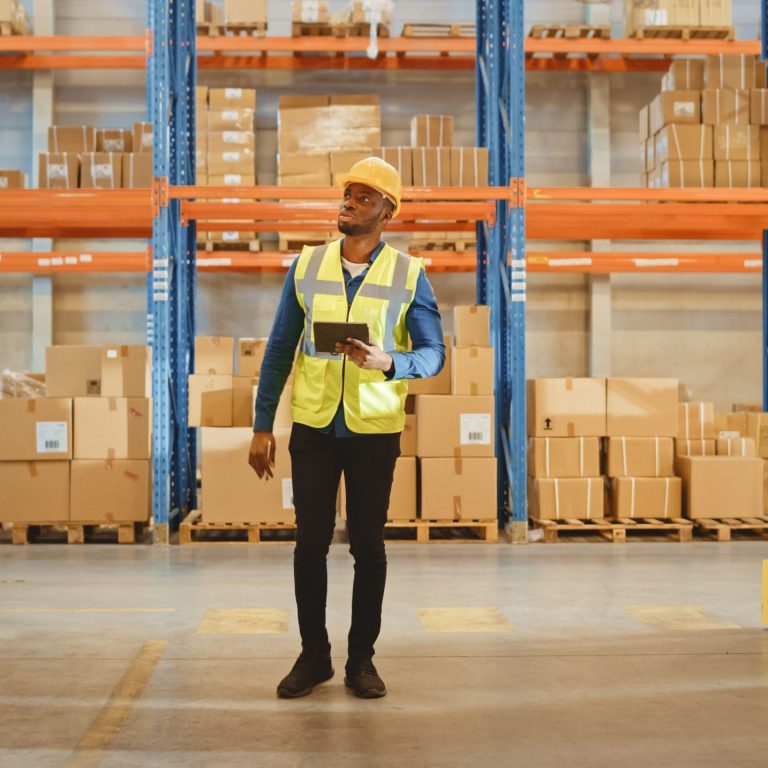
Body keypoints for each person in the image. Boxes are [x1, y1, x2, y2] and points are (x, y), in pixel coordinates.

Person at [249, 157, 445, 699]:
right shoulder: (307, 266)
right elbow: (279, 349)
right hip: (312, 426)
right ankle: (314, 657)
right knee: (309, 544)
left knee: (368, 546)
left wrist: (389, 363)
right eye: (347, 195)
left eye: (363, 198)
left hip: (373, 431)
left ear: (387, 211)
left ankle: (362, 659)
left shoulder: (409, 274)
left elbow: (434, 355)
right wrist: (262, 425)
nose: (349, 204)